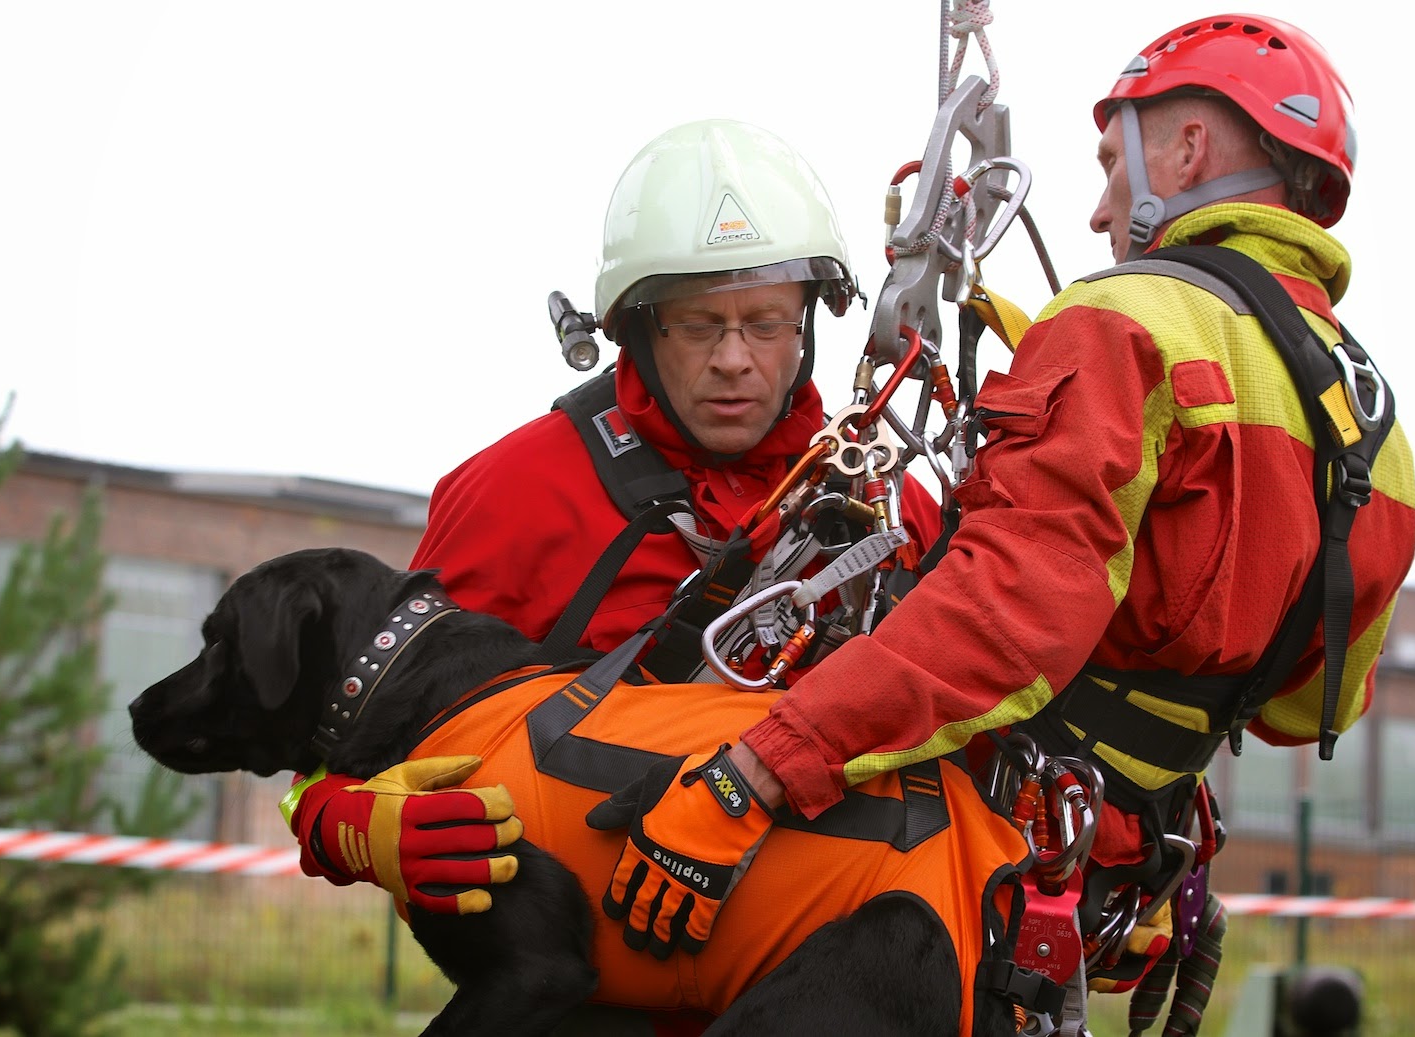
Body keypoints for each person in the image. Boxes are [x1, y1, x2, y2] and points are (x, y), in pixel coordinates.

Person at [583, 9, 1415, 1001]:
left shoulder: (1122, 325)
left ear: (1189, 147)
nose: (1102, 212)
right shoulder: (1371, 420)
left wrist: (758, 771)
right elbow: (1302, 703)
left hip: (977, 852)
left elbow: (1006, 618)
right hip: (1122, 862)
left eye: (1114, 161)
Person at [280, 119, 942, 1033]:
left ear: (811, 322)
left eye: (765, 322)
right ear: (632, 324)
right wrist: (346, 825)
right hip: (588, 996)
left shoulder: (883, 508)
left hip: (832, 985)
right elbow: (357, 731)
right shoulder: (514, 494)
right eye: (698, 323)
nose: (734, 359)